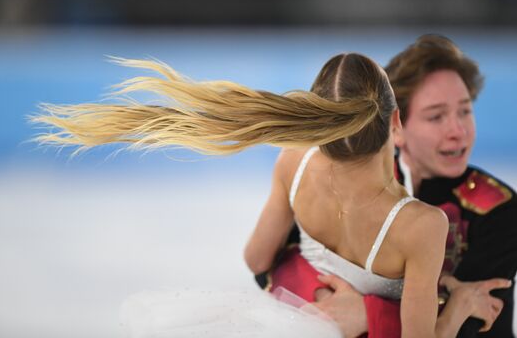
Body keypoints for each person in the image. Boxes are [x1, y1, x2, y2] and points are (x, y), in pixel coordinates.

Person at [34, 53, 477, 337]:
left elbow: (257, 258)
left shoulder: (294, 163)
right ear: (396, 122)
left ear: (315, 127)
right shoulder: (421, 225)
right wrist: (458, 308)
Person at [261, 35, 517, 338]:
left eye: (465, 111)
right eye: (436, 116)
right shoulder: (355, 176)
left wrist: (369, 314)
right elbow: (277, 264)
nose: (458, 131)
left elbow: (483, 321)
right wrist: (324, 297)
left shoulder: (498, 208)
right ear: (396, 126)